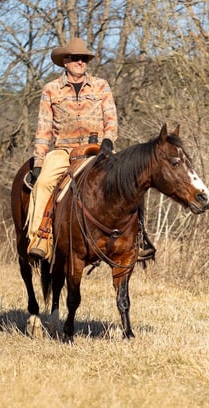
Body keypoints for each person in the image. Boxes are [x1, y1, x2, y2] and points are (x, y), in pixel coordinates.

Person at [26, 37, 155, 262]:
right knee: (45, 182)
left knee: (130, 180)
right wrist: (38, 162)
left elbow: (111, 118)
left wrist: (109, 140)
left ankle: (139, 237)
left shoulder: (101, 85)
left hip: (97, 148)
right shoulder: (51, 90)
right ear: (65, 61)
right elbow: (44, 127)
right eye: (75, 58)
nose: (80, 62)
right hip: (63, 150)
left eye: (83, 58)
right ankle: (40, 238)